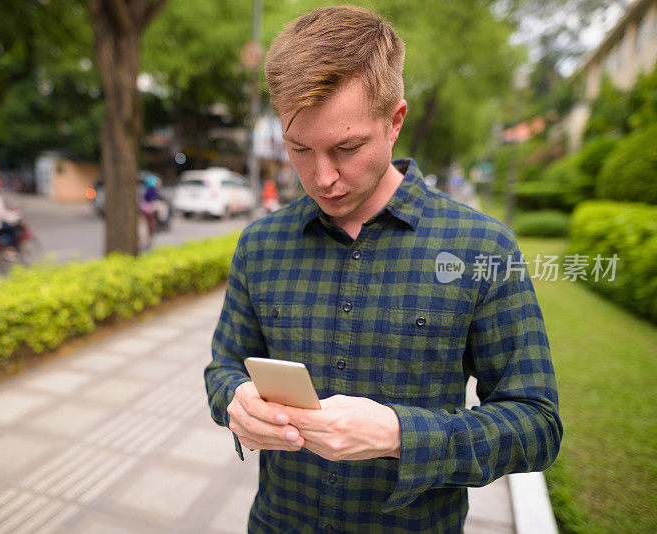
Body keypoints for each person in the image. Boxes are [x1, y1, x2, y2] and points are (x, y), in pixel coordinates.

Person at [204, 6, 561, 533]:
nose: (322, 178)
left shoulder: (482, 248)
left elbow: (537, 424)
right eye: (299, 149)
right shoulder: (261, 244)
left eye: (346, 148)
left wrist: (398, 434)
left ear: (395, 122)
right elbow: (223, 369)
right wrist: (236, 404)